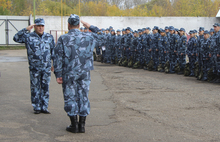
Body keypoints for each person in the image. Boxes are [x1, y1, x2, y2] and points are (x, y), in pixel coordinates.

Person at [53, 14, 100, 133]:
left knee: (70, 96)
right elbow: (102, 35)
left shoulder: (63, 38)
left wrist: (58, 74)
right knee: (83, 96)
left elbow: (57, 58)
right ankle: (82, 125)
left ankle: (74, 124)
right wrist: (89, 26)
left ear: (68, 25)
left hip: (69, 72)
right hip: (84, 73)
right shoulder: (88, 36)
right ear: (79, 25)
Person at [13, 18, 55, 114]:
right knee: (35, 87)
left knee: (45, 87)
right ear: (35, 26)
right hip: (34, 68)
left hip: (46, 67)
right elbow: (16, 38)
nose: (40, 28)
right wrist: (26, 29)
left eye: (42, 26)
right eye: (38, 26)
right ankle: (36, 106)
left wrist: (54, 64)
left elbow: (53, 52)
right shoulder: (28, 37)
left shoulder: (49, 37)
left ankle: (44, 106)